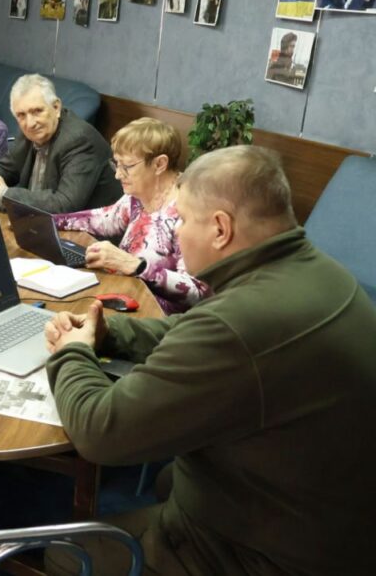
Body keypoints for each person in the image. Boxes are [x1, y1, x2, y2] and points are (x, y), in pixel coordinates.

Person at [43, 146, 376, 575]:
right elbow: (195, 334)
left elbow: (100, 431)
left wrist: (73, 351)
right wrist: (111, 333)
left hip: (267, 553)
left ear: (220, 228)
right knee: (169, 479)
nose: (177, 232)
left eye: (181, 219)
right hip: (330, 521)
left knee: (69, 555)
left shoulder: (239, 322)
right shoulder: (318, 272)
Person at [53, 118, 208, 314]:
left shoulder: (187, 211)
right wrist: (46, 221)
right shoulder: (136, 197)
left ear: (159, 164)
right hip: (123, 300)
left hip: (156, 320)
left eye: (127, 166)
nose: (118, 175)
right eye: (116, 164)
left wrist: (134, 265)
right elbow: (101, 219)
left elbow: (197, 291)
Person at [0, 75, 120, 213]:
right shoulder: (30, 132)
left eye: (37, 111)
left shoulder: (79, 140)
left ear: (56, 108)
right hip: (40, 222)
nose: (30, 123)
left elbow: (65, 204)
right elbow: (10, 167)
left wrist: (5, 193)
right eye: (21, 115)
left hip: (90, 233)